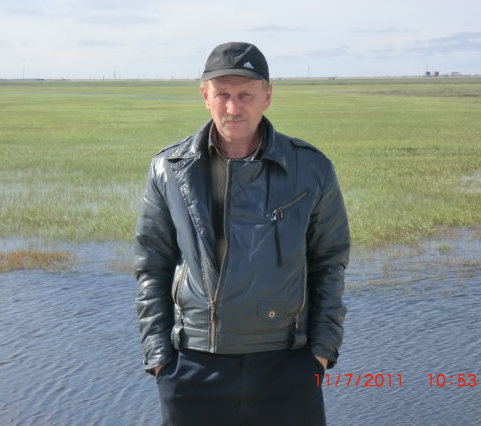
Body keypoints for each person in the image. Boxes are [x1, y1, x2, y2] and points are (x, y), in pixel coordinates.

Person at [134, 42, 349, 426]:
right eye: (223, 95)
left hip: (287, 363)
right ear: (205, 96)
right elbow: (152, 264)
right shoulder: (168, 168)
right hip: (193, 366)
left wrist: (320, 354)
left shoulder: (311, 168)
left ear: (267, 96)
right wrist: (160, 359)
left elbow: (329, 262)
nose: (233, 108)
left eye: (245, 95)